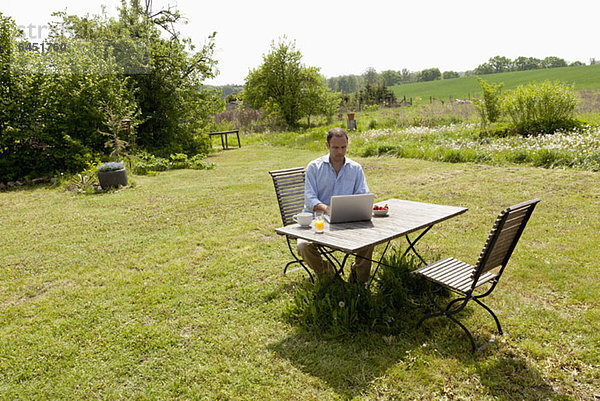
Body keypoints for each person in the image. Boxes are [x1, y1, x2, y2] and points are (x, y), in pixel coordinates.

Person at [297, 127, 374, 284]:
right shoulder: (314, 167)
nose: (340, 152)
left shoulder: (355, 168)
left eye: (343, 147)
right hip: (317, 221)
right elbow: (309, 198)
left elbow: (362, 195)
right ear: (327, 145)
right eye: (335, 147)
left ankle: (359, 281)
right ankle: (331, 277)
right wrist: (326, 208)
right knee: (303, 245)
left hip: (347, 221)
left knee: (370, 239)